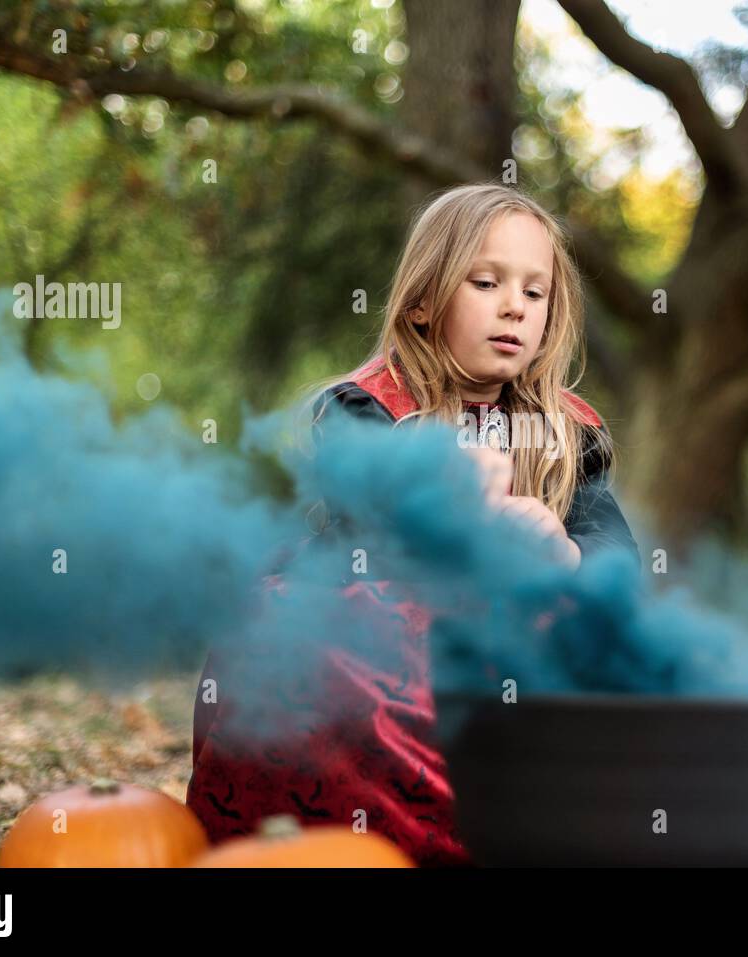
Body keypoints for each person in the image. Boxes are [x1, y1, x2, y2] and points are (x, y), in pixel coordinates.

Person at [187, 183, 639, 865]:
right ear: (424, 301)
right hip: (389, 639)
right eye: (485, 282)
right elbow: (358, 526)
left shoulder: (569, 434)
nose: (514, 304)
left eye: (535, 292)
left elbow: (617, 556)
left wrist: (563, 551)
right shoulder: (368, 407)